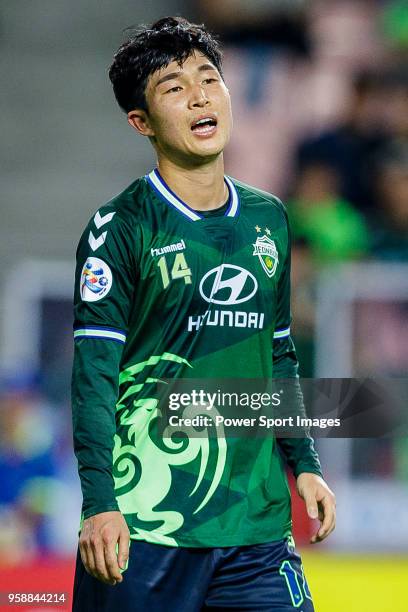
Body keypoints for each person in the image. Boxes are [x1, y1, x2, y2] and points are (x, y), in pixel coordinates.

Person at [71, 17, 336, 611]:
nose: (199, 96)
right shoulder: (122, 228)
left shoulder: (269, 217)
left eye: (209, 79)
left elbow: (280, 352)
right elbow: (94, 377)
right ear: (141, 122)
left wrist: (306, 466)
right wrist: (99, 504)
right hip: (149, 528)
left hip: (256, 529)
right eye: (173, 87)